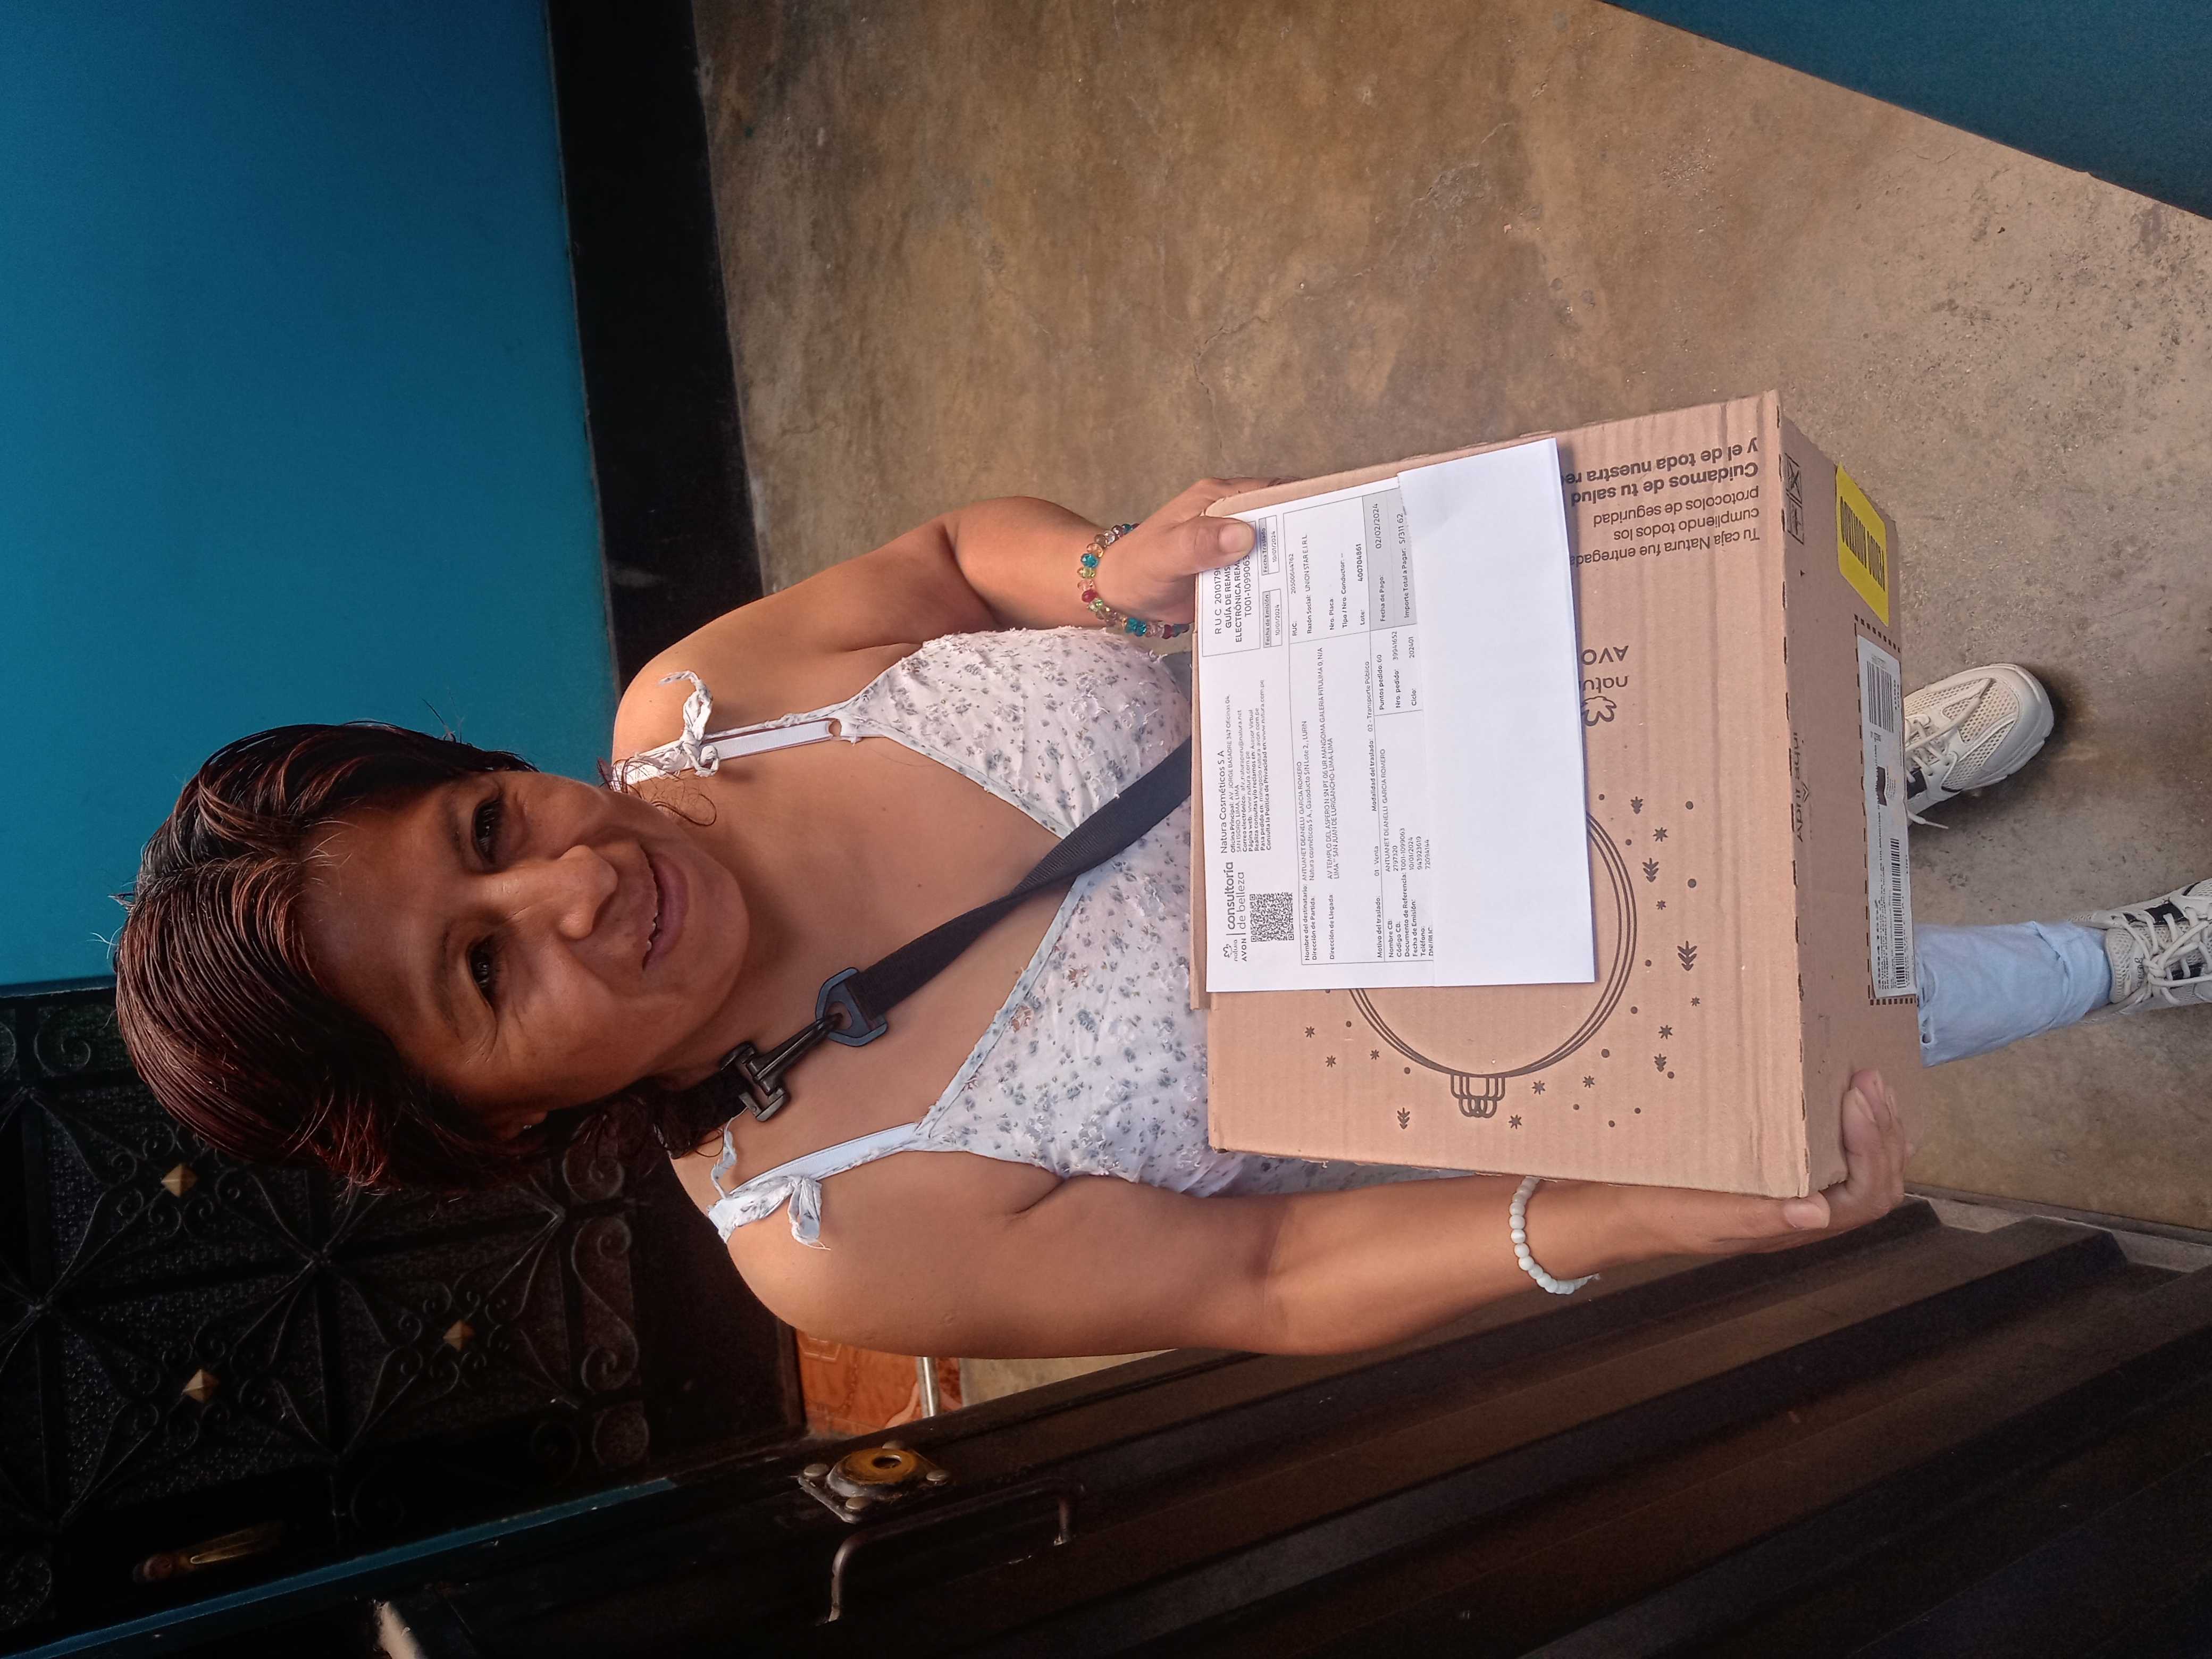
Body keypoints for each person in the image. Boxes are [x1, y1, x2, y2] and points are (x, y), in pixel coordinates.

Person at [111, 484, 2209, 1362]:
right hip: (1558, 1015)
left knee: (1761, 759)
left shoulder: (703, 705)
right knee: (1887, 1000)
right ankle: (2129, 956)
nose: (571, 883)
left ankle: (1879, 780)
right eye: (484, 971)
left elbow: (949, 559)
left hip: (1494, 723)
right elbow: (1266, 1275)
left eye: (484, 823)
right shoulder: (837, 1231)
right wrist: (1664, 1214)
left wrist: (1110, 572)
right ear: (480, 1117)